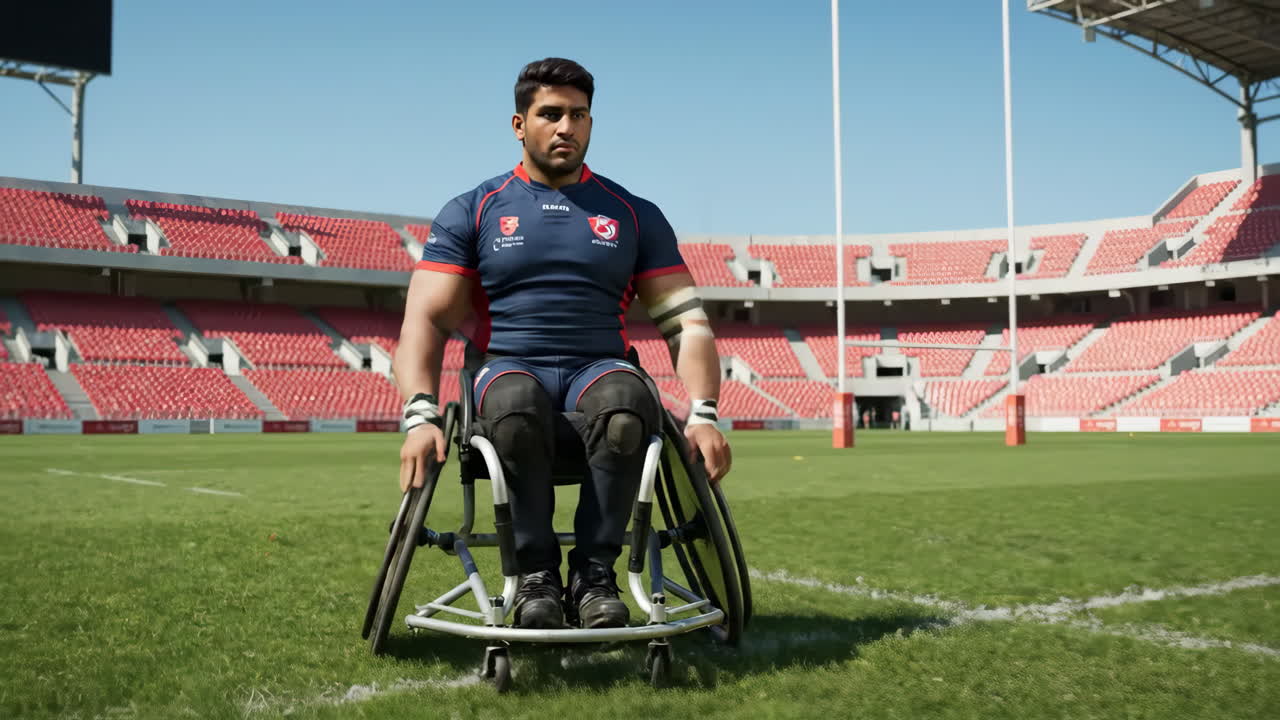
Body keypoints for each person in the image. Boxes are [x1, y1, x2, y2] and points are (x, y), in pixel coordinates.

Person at [393, 58, 731, 631]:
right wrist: (420, 416)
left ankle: (595, 576)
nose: (565, 127)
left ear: (591, 123)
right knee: (514, 406)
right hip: (507, 368)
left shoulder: (634, 214)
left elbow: (687, 324)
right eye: (550, 114)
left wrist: (702, 414)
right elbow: (424, 321)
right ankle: (535, 577)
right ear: (519, 124)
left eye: (578, 115)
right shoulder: (473, 209)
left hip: (598, 368)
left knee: (628, 404)